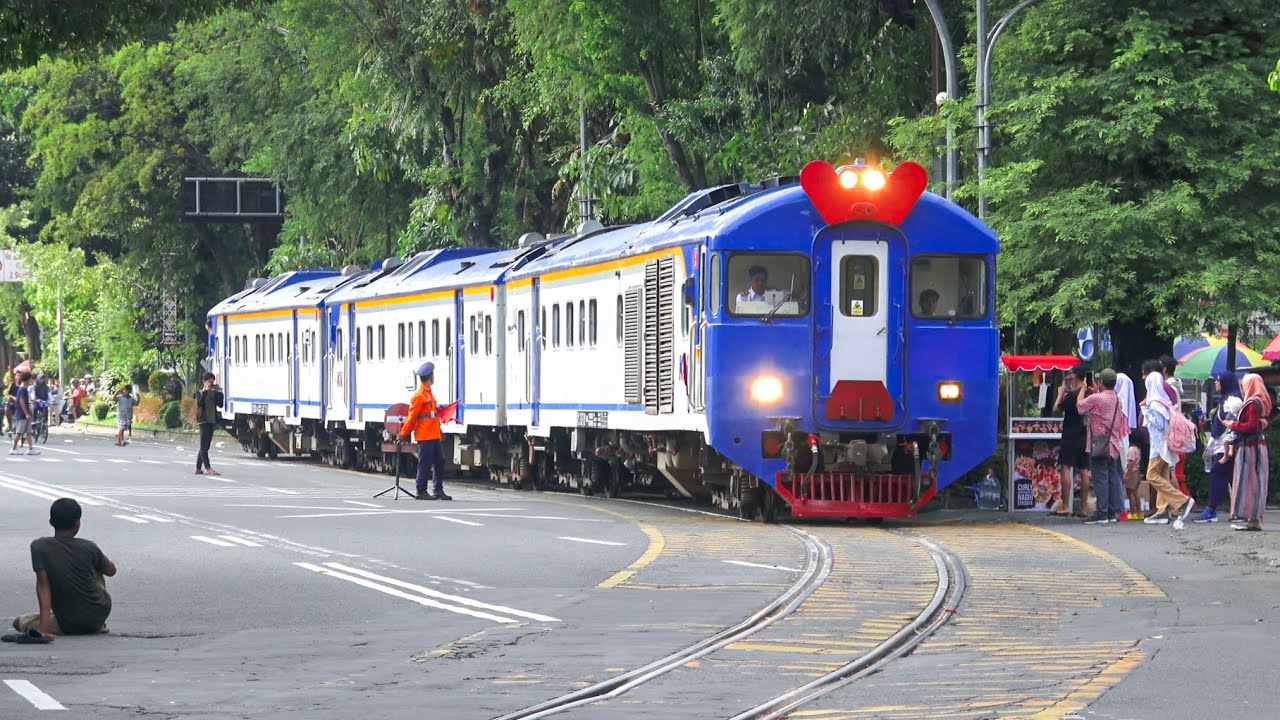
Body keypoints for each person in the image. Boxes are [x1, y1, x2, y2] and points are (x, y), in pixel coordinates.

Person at [11, 498, 115, 637]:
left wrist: (44, 629)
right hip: (97, 614)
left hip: (68, 622)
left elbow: (43, 586)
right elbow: (111, 571)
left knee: (18, 622)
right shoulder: (89, 547)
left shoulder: (39, 547)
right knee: (97, 569)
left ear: (51, 522)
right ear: (77, 523)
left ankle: (52, 620)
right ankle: (94, 625)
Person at [1140, 361, 1194, 526]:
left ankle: (1182, 501)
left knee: (1151, 475)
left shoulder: (1155, 403)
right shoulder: (1162, 399)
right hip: (1165, 445)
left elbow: (1158, 426)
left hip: (1159, 446)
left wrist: (1145, 410)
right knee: (1163, 475)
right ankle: (1162, 511)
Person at [1077, 369, 1128, 523]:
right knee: (1112, 478)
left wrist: (1083, 389)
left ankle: (1102, 513)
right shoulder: (1118, 400)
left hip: (1099, 444)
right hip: (1113, 444)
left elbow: (1080, 406)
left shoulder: (1096, 399)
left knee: (1100, 479)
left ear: (1102, 383)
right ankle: (1111, 513)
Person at [397, 362, 451, 501]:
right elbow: (411, 417)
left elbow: (431, 414)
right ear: (430, 377)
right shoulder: (419, 395)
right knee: (425, 463)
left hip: (433, 434)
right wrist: (403, 434)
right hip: (425, 435)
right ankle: (421, 490)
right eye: (433, 375)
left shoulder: (429, 394)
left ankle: (438, 490)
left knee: (440, 461)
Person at [1226, 373, 1270, 531]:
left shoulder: (1252, 403)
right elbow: (1262, 423)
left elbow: (1251, 426)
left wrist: (1232, 424)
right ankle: (1254, 519)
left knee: (1248, 482)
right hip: (1259, 446)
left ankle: (1249, 518)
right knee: (1258, 482)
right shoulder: (1263, 400)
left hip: (1249, 448)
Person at [1197, 372, 1241, 524]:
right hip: (1219, 445)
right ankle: (1239, 511)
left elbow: (1231, 427)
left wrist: (1228, 447)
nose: (1216, 383)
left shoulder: (1233, 400)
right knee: (1230, 477)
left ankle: (1211, 509)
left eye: (1218, 381)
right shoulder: (1224, 399)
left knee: (1218, 473)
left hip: (1226, 446)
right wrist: (1209, 446)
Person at [1051, 366, 1091, 516]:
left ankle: (1066, 505)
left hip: (1070, 434)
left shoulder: (1072, 395)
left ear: (1075, 377)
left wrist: (1060, 394)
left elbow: (1056, 408)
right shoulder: (1089, 393)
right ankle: (1083, 508)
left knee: (1066, 467)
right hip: (1084, 434)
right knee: (1084, 470)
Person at [194, 373, 223, 476]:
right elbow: (199, 403)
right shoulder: (199, 393)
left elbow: (220, 405)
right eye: (209, 382)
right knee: (203, 445)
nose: (211, 384)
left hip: (212, 420)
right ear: (204, 382)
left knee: (206, 446)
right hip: (203, 421)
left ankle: (198, 468)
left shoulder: (214, 394)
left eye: (212, 382)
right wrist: (205, 391)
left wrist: (220, 393)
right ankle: (207, 467)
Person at [10, 372, 39, 456]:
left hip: (25, 414)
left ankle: (31, 449)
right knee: (19, 433)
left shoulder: (25, 389)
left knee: (29, 432)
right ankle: (13, 448)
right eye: (31, 379)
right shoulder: (22, 389)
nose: (32, 380)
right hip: (22, 414)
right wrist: (26, 413)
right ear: (28, 379)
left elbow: (24, 401)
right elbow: (21, 401)